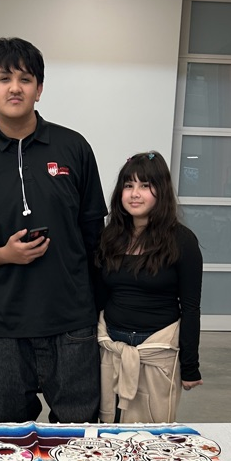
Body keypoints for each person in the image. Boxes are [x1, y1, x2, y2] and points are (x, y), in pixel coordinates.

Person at [0, 37, 107, 424]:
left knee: (76, 444)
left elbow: (95, 237)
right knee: (8, 445)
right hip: (7, 328)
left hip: (73, 323)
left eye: (26, 78)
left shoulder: (74, 148)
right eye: (4, 78)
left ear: (39, 89)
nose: (15, 87)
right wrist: (4, 255)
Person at [96, 151, 203, 424]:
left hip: (158, 350)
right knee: (109, 427)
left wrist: (190, 367)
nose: (135, 193)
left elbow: (190, 307)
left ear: (161, 190)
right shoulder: (110, 238)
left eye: (145, 186)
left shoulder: (182, 241)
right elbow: (99, 295)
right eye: (128, 185)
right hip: (113, 346)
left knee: (152, 430)